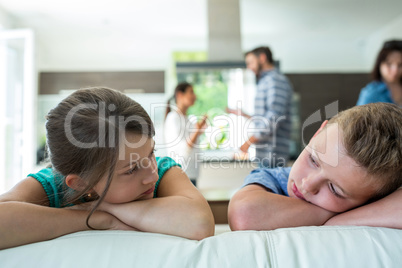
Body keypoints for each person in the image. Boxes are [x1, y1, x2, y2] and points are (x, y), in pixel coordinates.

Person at [0, 87, 215, 250]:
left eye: (151, 153)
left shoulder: (164, 170)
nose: (151, 174)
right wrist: (96, 219)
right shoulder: (51, 186)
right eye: (131, 170)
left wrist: (105, 208)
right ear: (81, 183)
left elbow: (200, 223)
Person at [228, 102, 402, 231]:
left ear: (372, 201)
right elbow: (244, 214)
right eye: (313, 160)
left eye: (334, 189)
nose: (308, 184)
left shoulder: (375, 192)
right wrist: (339, 218)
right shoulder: (271, 180)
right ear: (317, 133)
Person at [227, 46, 293, 168]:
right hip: (266, 154)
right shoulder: (266, 81)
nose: (249, 67)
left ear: (262, 58)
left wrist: (248, 142)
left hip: (272, 154)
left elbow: (273, 118)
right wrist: (243, 114)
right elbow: (266, 116)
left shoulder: (275, 80)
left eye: (251, 62)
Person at [164, 82, 207, 186]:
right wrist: (197, 131)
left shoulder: (188, 120)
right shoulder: (173, 118)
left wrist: (198, 131)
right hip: (182, 172)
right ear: (180, 95)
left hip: (192, 173)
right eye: (191, 92)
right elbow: (183, 149)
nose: (194, 96)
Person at [357, 39, 402, 106]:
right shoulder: (370, 93)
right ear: (379, 64)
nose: (395, 70)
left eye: (400, 65)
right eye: (389, 64)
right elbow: (359, 116)